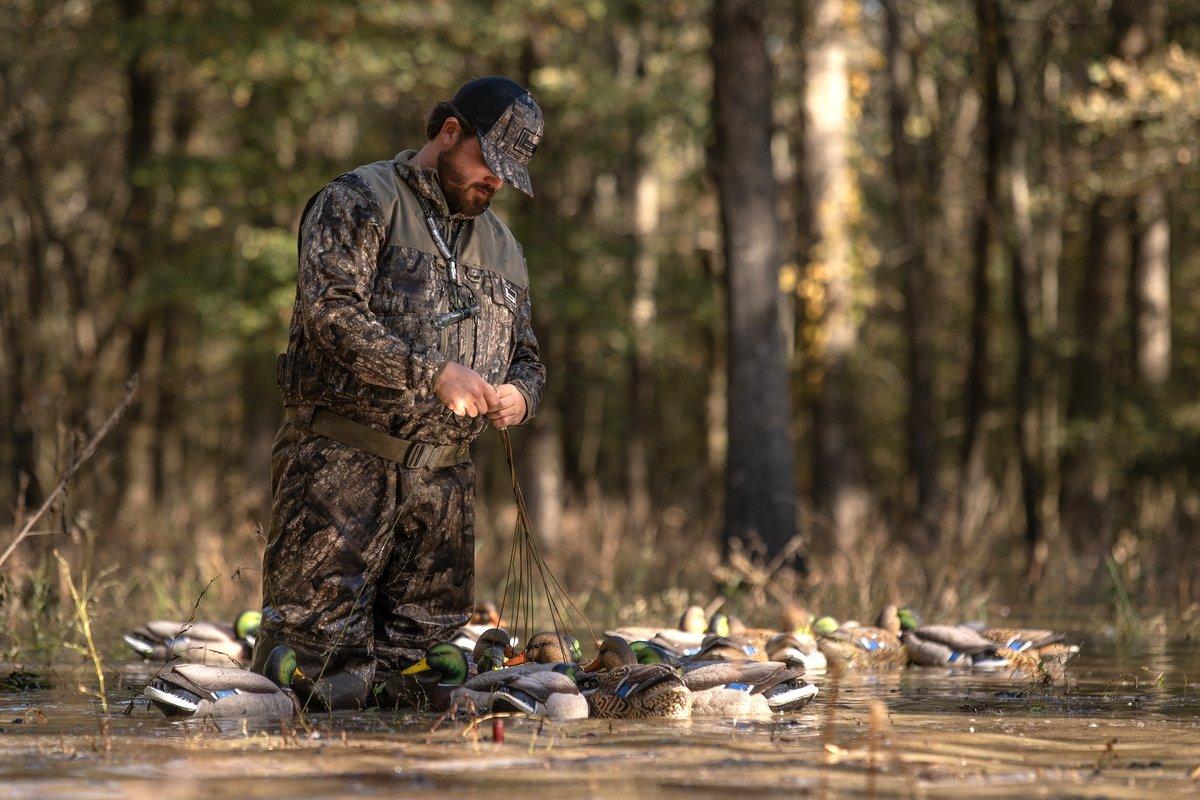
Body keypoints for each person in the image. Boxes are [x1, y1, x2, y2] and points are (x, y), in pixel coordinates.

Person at [251, 77, 546, 709]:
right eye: (488, 164)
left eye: (507, 175)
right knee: (308, 677)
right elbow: (330, 315)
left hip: (443, 497)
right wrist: (432, 373)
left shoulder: (505, 248)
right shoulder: (357, 201)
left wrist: (520, 395)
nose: (494, 183)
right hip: (339, 477)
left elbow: (528, 357)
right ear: (448, 134)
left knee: (427, 686)